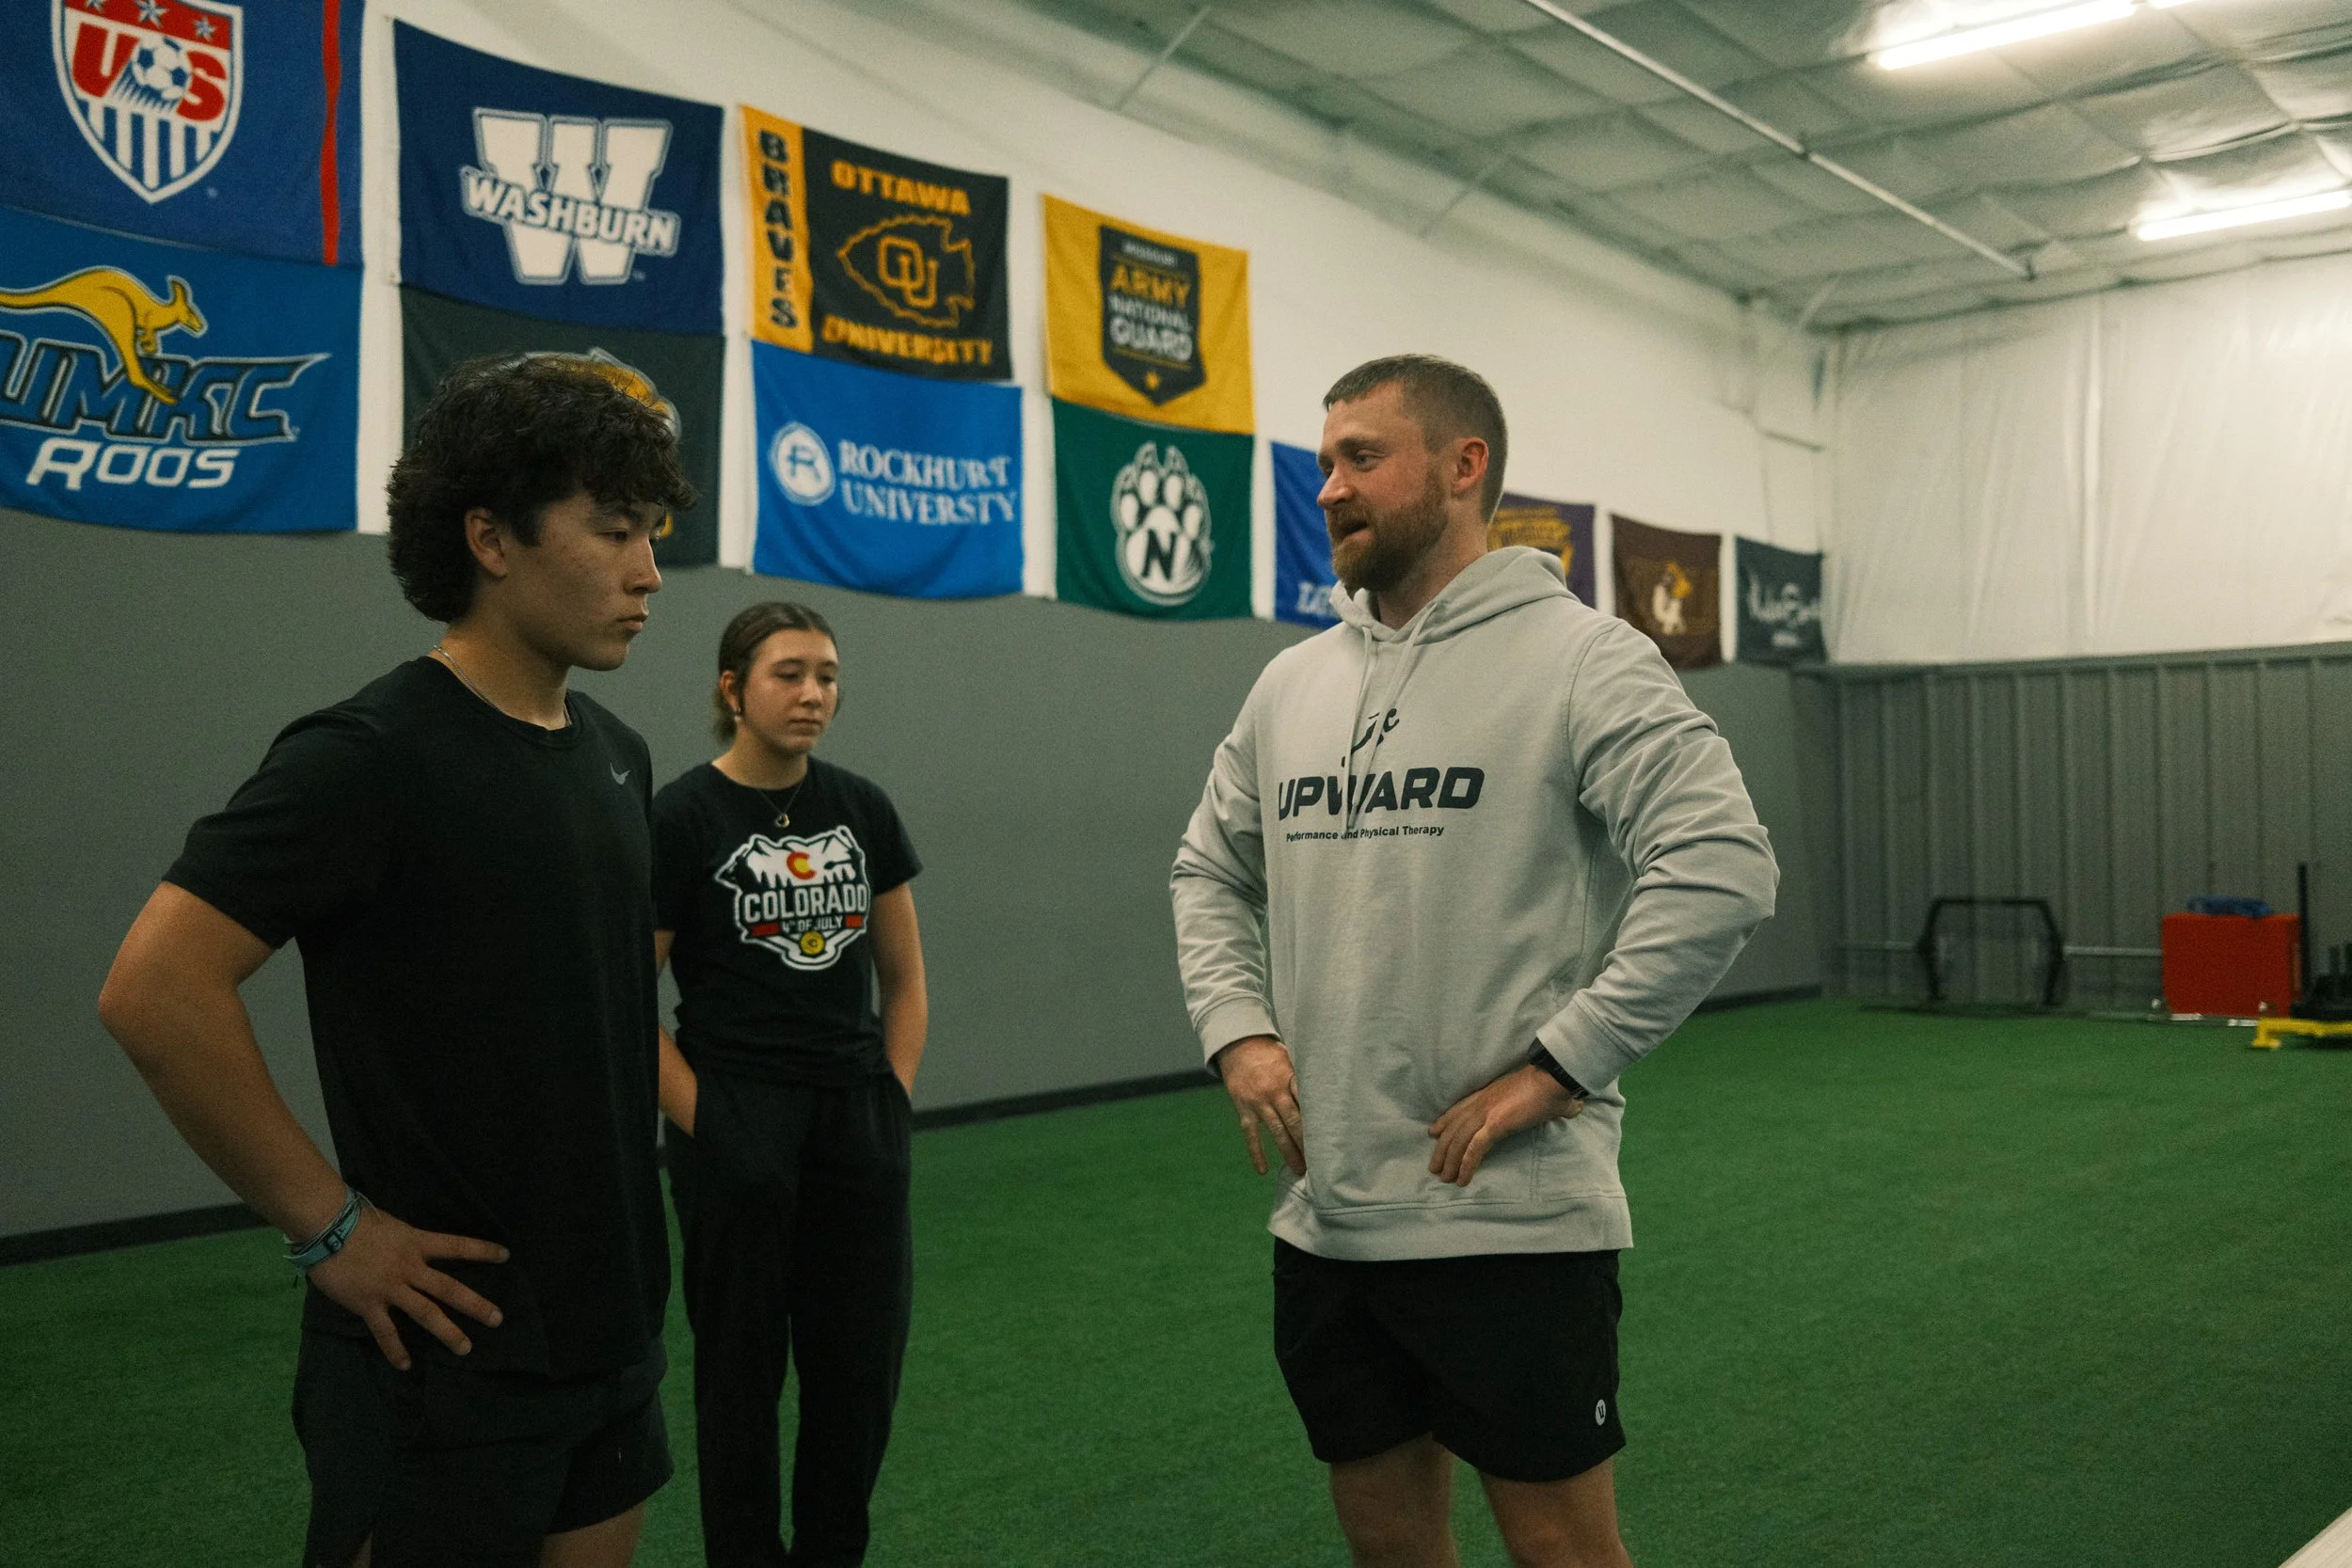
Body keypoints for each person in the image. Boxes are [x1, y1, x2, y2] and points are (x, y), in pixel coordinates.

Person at [1171, 355, 1778, 1568]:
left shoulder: (1583, 657)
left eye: (1361, 456)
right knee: (1387, 1541)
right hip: (1330, 1221)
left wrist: (1560, 1065)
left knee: (1560, 1548)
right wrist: (1238, 1028)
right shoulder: (1290, 683)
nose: (1328, 486)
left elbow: (1721, 866)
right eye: (1323, 461)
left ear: (1464, 466)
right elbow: (1207, 869)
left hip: (1509, 1220)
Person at [96, 356, 695, 1568]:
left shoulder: (618, 753)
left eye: (652, 534)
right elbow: (154, 990)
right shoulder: (368, 755)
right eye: (613, 529)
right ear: (490, 536)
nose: (646, 572)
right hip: (442, 1354)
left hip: (611, 1331)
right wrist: (331, 1229)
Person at [652, 601, 928, 1568]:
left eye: (827, 675)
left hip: (855, 1117)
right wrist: (711, 1124)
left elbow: (904, 980)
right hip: (735, 1112)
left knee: (857, 1373)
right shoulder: (681, 815)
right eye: (789, 673)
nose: (813, 694)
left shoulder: (862, 807)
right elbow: (623, 996)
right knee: (739, 1378)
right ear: (733, 689)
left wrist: (889, 1100)